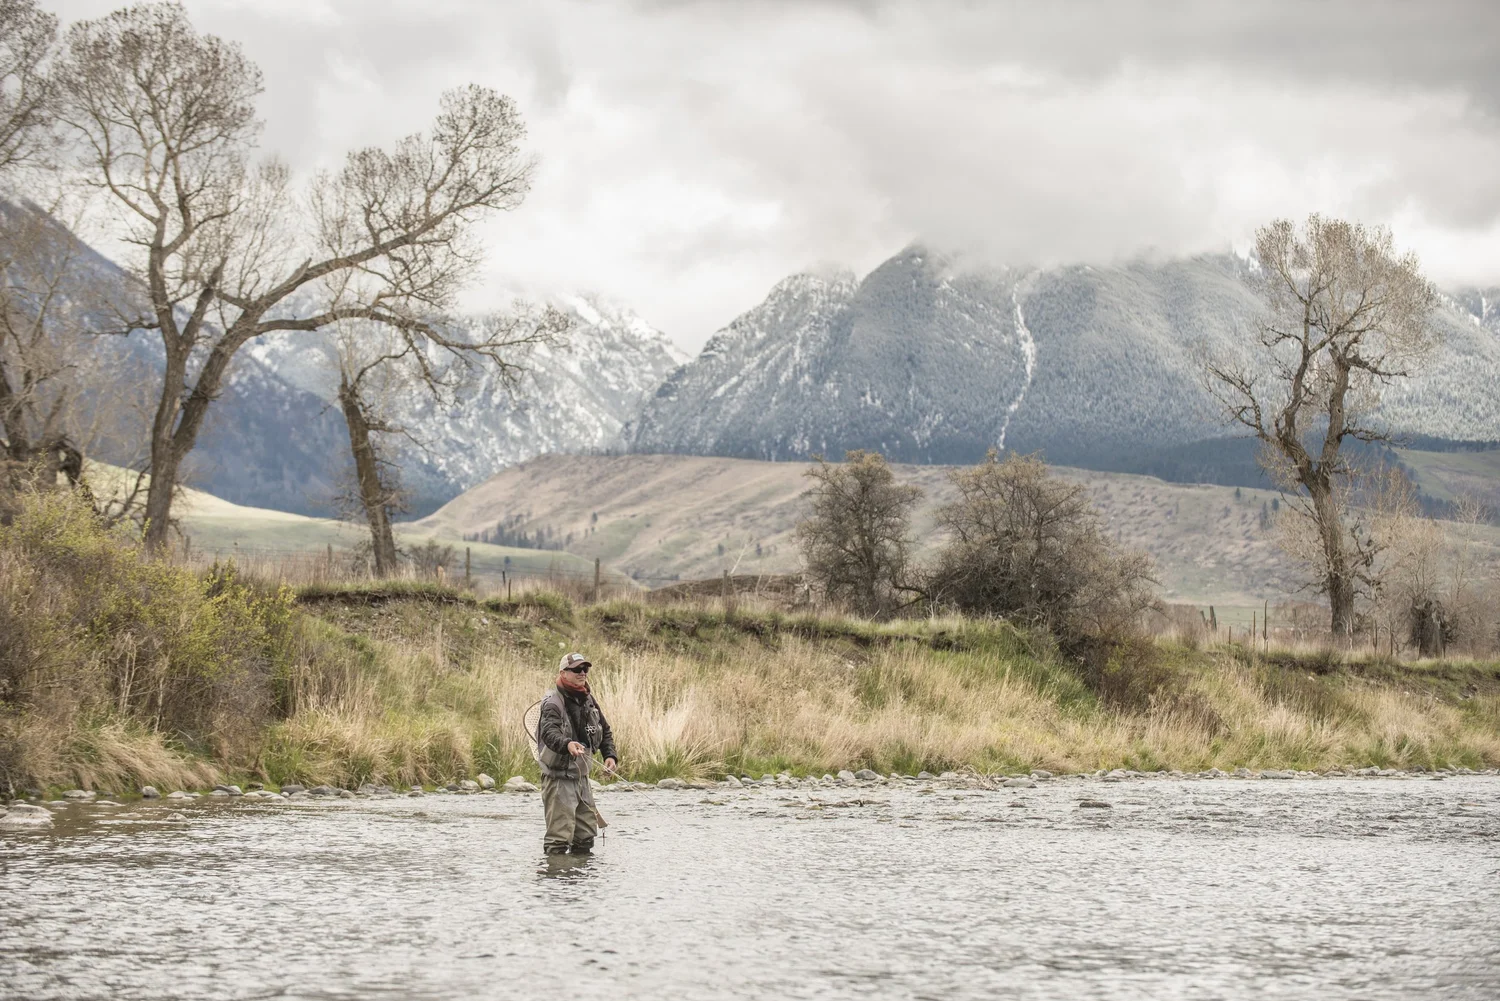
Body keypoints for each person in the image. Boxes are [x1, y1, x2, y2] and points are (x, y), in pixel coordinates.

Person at [536, 651, 617, 854]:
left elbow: (605, 730)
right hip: (558, 779)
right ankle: (556, 881)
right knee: (559, 839)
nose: (583, 673)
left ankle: (581, 883)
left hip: (582, 780)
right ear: (563, 673)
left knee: (586, 836)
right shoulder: (552, 702)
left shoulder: (588, 699)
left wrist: (610, 755)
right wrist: (567, 744)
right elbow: (549, 732)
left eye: (585, 669)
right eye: (577, 670)